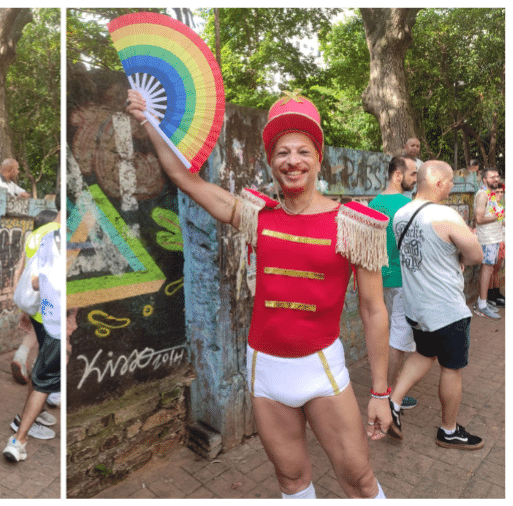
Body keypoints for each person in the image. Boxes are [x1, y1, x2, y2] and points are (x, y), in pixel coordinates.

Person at [127, 89, 392, 498]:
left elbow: (374, 311)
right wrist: (149, 121)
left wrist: (380, 392)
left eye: (303, 151)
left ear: (319, 158)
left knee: (358, 480)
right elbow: (185, 178)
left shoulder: (352, 224)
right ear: (271, 162)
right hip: (265, 371)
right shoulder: (255, 215)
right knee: (291, 480)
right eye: (282, 152)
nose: (292, 161)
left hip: (321, 370)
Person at [386, 161, 485, 450]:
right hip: (446, 307)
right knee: (451, 369)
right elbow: (476, 255)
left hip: (416, 306)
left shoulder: (401, 214)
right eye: (452, 181)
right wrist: (462, 254)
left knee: (424, 354)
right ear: (439, 182)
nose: (453, 186)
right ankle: (449, 430)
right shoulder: (445, 214)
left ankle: (392, 404)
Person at [3, 227, 63, 462]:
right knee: (45, 379)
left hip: (44, 313)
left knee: (42, 372)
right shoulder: (67, 239)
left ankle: (25, 428)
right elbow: (36, 280)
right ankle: (20, 437)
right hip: (60, 322)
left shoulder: (46, 235)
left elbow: (30, 276)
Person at [368, 156, 419, 412]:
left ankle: (386, 387)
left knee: (390, 331)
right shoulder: (408, 206)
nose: (415, 179)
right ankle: (390, 394)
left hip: (380, 277)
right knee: (400, 336)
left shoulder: (374, 203)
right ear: (398, 175)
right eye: (412, 174)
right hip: (403, 279)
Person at [11, 208, 60, 384]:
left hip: (31, 296)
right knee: (49, 341)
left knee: (36, 331)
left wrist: (23, 307)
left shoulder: (32, 238)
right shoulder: (52, 237)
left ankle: (20, 357)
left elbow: (21, 268)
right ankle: (43, 380)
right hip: (46, 295)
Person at [472, 167, 504, 318]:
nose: (496, 179)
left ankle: (482, 301)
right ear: (484, 179)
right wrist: (499, 217)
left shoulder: (490, 194)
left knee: (489, 269)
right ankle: (482, 305)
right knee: (487, 269)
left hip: (493, 237)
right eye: (492, 177)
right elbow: (479, 219)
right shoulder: (482, 195)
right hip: (487, 239)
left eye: (497, 176)